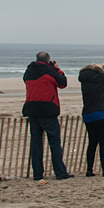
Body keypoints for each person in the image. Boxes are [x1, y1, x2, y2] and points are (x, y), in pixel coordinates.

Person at [22, 51, 72, 180]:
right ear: (48, 60)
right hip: (47, 109)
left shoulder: (29, 71)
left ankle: (37, 174)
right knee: (54, 143)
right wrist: (57, 69)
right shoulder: (49, 71)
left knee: (36, 144)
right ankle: (60, 172)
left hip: (32, 109)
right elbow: (62, 83)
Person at [78, 61, 104, 177]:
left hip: (88, 114)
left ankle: (89, 170)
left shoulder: (83, 80)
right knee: (103, 142)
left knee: (92, 142)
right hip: (102, 113)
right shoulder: (100, 78)